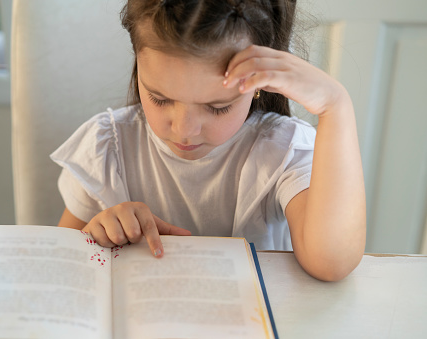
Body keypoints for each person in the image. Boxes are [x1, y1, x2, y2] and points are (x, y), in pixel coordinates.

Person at [50, 0, 366, 281]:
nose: (185, 129)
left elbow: (331, 263)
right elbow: (63, 265)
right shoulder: (108, 147)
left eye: (217, 107)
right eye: (160, 99)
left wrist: (335, 107)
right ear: (138, 65)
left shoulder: (280, 149)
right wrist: (100, 230)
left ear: (258, 86)